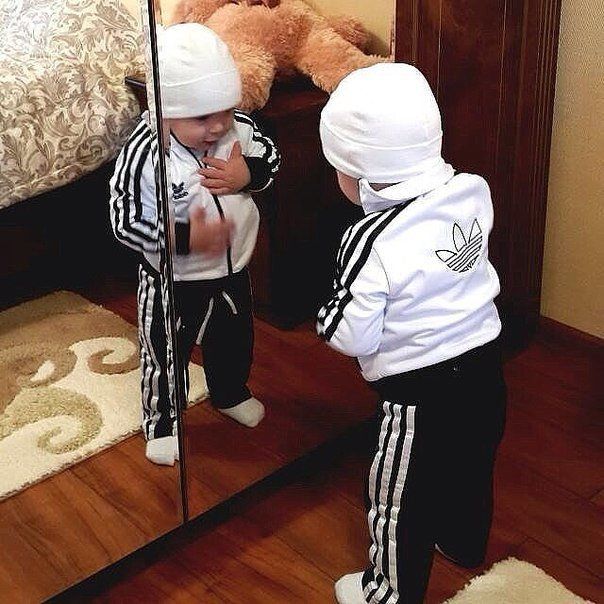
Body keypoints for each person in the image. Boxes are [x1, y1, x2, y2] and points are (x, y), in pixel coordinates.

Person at [317, 63, 507, 604]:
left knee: (398, 500)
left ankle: (387, 593)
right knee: (471, 465)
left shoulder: (371, 239)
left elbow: (352, 334)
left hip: (419, 393)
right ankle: (463, 542)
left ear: (358, 174)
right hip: (486, 367)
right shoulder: (472, 191)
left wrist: (327, 317)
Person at [109, 23, 280, 466]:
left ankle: (229, 392)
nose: (218, 126)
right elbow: (125, 220)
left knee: (234, 339)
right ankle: (162, 421)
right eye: (202, 118)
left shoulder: (238, 131)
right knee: (166, 352)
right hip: (172, 280)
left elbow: (272, 156)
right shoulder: (146, 154)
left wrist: (249, 174)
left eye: (225, 110)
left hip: (232, 269)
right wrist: (184, 238)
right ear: (165, 112)